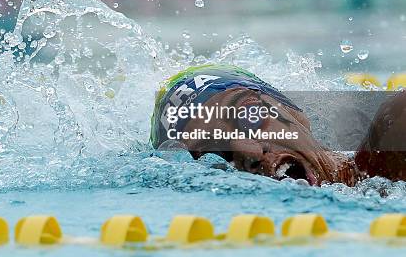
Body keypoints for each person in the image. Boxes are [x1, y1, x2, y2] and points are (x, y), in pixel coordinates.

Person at [150, 64, 405, 186]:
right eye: (213, 152)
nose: (247, 151)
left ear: (294, 112)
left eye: (249, 115)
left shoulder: (396, 129)